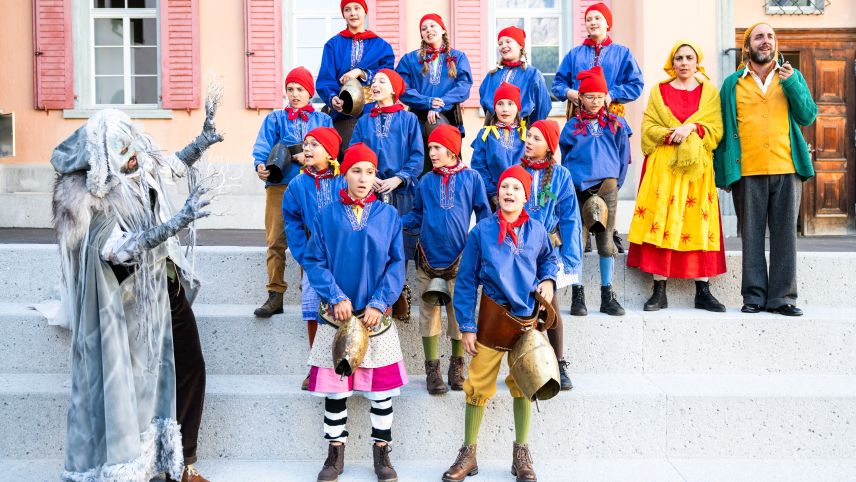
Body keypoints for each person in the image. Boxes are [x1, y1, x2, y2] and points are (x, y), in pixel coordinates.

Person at [50, 107, 221, 482]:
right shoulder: (94, 202)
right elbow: (117, 250)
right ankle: (138, 466)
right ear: (103, 158)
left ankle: (182, 462)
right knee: (138, 386)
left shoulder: (138, 169)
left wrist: (201, 141)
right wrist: (175, 223)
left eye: (130, 144)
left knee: (190, 366)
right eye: (121, 148)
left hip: (166, 285)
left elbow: (169, 167)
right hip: (129, 303)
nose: (131, 153)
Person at [442, 165, 558, 482]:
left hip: (526, 323)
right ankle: (469, 453)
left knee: (526, 383)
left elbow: (549, 259)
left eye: (516, 188)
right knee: (477, 386)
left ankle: (521, 454)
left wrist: (548, 279)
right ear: (498, 194)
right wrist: (467, 325)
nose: (509, 192)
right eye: (505, 187)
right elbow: (466, 281)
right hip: (492, 321)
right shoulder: (481, 232)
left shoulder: (537, 230)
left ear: (525, 196)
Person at [304, 143, 407, 482]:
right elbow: (315, 261)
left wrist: (380, 302)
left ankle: (382, 451)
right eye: (356, 171)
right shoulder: (327, 216)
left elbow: (396, 264)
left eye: (370, 172)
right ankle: (335, 453)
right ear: (344, 174)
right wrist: (334, 296)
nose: (363, 178)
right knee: (336, 389)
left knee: (381, 392)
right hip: (337, 317)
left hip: (375, 317)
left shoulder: (389, 216)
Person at [714, 23, 817, 316]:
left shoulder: (791, 77)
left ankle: (783, 298)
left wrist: (792, 84)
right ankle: (754, 296)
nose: (765, 41)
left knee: (785, 236)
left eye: (770, 36)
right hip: (747, 170)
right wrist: (723, 174)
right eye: (759, 36)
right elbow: (723, 130)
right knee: (752, 236)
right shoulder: (732, 84)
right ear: (748, 46)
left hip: (787, 168)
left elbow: (808, 116)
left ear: (775, 43)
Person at [626, 41, 727, 312]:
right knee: (663, 220)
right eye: (679, 58)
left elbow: (716, 130)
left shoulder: (709, 92)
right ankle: (659, 290)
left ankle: (703, 291)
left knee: (697, 221)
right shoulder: (659, 91)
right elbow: (648, 128)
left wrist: (691, 127)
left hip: (696, 171)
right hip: (663, 168)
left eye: (689, 58)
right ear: (672, 62)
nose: (684, 62)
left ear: (697, 62)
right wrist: (673, 133)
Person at [401, 124, 491, 395]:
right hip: (427, 259)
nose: (432, 153)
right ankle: (432, 371)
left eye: (437, 147)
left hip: (460, 260)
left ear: (452, 150)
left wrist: (481, 246)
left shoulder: (472, 179)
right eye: (430, 148)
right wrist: (394, 221)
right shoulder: (426, 181)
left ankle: (456, 367)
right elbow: (417, 214)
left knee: (457, 314)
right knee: (429, 314)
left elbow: (484, 215)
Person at [551, 1, 643, 253]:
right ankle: (583, 230)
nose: (593, 22)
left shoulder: (622, 53)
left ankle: (609, 230)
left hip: (610, 118)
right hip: (580, 120)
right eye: (589, 19)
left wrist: (611, 94)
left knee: (610, 171)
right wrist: (570, 92)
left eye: (597, 18)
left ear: (607, 23)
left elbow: (636, 84)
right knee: (580, 170)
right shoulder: (575, 54)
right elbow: (557, 84)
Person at [252, 67, 333, 318]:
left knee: (313, 237)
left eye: (300, 89)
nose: (295, 94)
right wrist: (260, 165)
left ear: (310, 92)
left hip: (313, 184)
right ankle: (275, 294)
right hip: (279, 186)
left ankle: (311, 291)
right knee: (275, 239)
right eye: (290, 89)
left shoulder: (323, 120)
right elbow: (263, 146)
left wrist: (305, 157)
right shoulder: (275, 119)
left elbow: (332, 150)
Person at [559, 66, 631, 317]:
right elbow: (565, 157)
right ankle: (578, 294)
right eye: (590, 96)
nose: (595, 101)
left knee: (606, 241)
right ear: (580, 97)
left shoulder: (616, 124)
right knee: (577, 240)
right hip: (578, 189)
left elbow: (624, 156)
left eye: (600, 96)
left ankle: (607, 295)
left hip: (607, 187)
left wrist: (615, 184)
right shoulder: (571, 127)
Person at [518, 119, 583, 390]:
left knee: (549, 304)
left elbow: (570, 218)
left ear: (549, 146)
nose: (529, 141)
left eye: (536, 138)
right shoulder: (516, 169)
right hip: (519, 251)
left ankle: (558, 362)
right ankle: (523, 363)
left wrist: (570, 258)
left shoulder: (561, 176)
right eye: (528, 136)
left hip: (548, 253)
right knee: (520, 307)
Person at [282, 127, 345, 390]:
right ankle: (317, 367)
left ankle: (346, 364)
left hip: (344, 255)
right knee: (314, 311)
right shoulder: (297, 184)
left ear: (329, 152)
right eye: (305, 144)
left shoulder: (344, 179)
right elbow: (292, 222)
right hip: (313, 256)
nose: (306, 149)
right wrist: (304, 256)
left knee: (345, 308)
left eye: (314, 144)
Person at [351, 68, 423, 260]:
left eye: (382, 81)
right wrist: (369, 177)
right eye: (374, 81)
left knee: (400, 246)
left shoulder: (409, 119)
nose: (375, 85)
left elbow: (417, 156)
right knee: (370, 247)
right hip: (369, 192)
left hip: (401, 191)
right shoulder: (363, 121)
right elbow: (354, 153)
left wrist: (399, 178)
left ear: (393, 90)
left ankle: (399, 281)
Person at [396, 13, 473, 174]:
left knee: (447, 164)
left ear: (443, 30)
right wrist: (428, 101)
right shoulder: (410, 59)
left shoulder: (458, 57)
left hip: (449, 116)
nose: (428, 30)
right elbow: (401, 88)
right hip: (418, 118)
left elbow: (464, 86)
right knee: (421, 165)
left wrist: (440, 104)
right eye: (424, 28)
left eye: (433, 26)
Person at [316, 0, 395, 153]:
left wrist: (361, 72)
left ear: (365, 11)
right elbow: (325, 79)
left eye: (357, 8)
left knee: (376, 155)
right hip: (344, 113)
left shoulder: (381, 46)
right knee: (348, 155)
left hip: (375, 110)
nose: (353, 13)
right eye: (347, 9)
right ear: (343, 14)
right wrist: (333, 98)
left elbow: (388, 75)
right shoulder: (333, 45)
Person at [479, 26, 552, 125]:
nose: (503, 46)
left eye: (508, 42)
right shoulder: (492, 75)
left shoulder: (533, 74)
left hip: (523, 128)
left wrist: (532, 127)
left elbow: (543, 106)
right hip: (493, 128)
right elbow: (485, 103)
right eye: (500, 44)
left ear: (520, 45)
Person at [470, 82, 527, 210]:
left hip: (520, 198)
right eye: (500, 104)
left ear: (518, 108)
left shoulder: (526, 135)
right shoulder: (485, 135)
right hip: (492, 199)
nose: (505, 109)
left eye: (510, 104)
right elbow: (478, 165)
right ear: (494, 108)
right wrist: (493, 193)